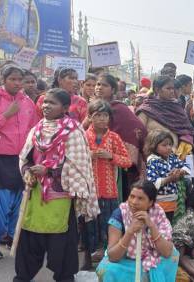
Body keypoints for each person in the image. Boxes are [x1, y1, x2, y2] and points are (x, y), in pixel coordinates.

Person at [15, 88, 100, 282]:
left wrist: (50, 171)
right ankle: (22, 277)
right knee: (30, 238)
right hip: (36, 195)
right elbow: (25, 156)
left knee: (61, 243)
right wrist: (27, 171)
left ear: (65, 107)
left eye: (52, 103)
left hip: (60, 197)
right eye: (45, 102)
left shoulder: (74, 130)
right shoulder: (37, 128)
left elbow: (77, 166)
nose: (46, 106)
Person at [0, 64, 40, 260]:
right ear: (3, 80)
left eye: (19, 79)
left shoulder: (28, 102)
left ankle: (13, 237)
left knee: (19, 201)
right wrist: (7, 115)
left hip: (22, 159)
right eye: (13, 79)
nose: (17, 83)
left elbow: (34, 130)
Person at [96, 180, 179, 282]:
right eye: (132, 196)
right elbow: (112, 256)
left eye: (140, 198)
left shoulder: (157, 213)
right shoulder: (120, 214)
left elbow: (167, 252)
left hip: (152, 257)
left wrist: (151, 226)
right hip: (125, 261)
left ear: (150, 203)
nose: (134, 202)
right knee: (106, 269)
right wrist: (130, 231)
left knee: (173, 255)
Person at [85, 99, 133, 262]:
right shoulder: (84, 137)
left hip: (109, 191)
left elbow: (127, 161)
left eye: (105, 115)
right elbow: (72, 159)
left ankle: (108, 257)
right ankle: (89, 258)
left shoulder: (114, 137)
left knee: (108, 225)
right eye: (97, 115)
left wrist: (111, 156)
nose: (102, 119)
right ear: (90, 117)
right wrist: (88, 155)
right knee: (89, 227)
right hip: (88, 191)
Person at [95, 73, 147, 200]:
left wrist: (116, 147)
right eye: (98, 84)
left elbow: (139, 129)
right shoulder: (93, 106)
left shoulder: (119, 108)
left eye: (104, 85)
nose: (99, 87)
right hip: (94, 157)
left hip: (116, 162)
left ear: (113, 89)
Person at [136, 75, 194, 160]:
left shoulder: (177, 108)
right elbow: (139, 134)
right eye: (168, 88)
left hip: (175, 156)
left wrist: (185, 140)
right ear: (157, 89)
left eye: (173, 88)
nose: (172, 91)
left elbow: (187, 129)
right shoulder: (146, 109)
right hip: (153, 158)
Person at [144, 130, 191, 222]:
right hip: (161, 202)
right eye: (164, 145)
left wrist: (180, 171)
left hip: (174, 200)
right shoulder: (153, 161)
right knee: (163, 225)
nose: (169, 148)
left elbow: (188, 167)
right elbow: (153, 182)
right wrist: (170, 178)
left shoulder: (172, 157)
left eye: (170, 144)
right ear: (154, 146)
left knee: (174, 224)